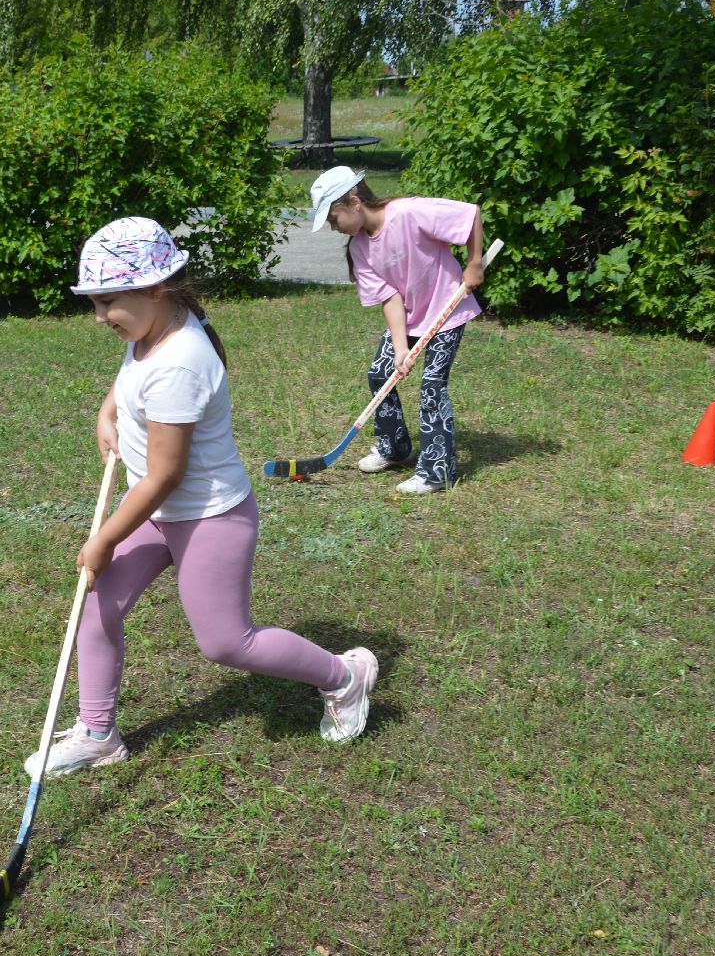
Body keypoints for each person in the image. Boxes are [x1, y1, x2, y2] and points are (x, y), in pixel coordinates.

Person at [25, 216, 377, 778]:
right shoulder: (152, 330)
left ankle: (345, 676)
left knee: (226, 642)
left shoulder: (181, 361)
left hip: (209, 517)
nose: (99, 316)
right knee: (97, 607)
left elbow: (165, 475)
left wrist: (105, 539)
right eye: (94, 303)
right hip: (156, 511)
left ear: (155, 288)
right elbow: (129, 378)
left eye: (108, 302)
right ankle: (98, 733)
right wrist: (108, 412)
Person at [310, 165, 487, 494]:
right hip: (410, 317)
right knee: (380, 373)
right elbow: (390, 298)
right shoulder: (359, 248)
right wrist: (401, 347)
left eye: (333, 219)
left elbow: (469, 215)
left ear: (354, 202)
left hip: (447, 311)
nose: (334, 227)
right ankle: (394, 447)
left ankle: (437, 471)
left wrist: (474, 262)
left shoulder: (407, 212)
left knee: (432, 385)